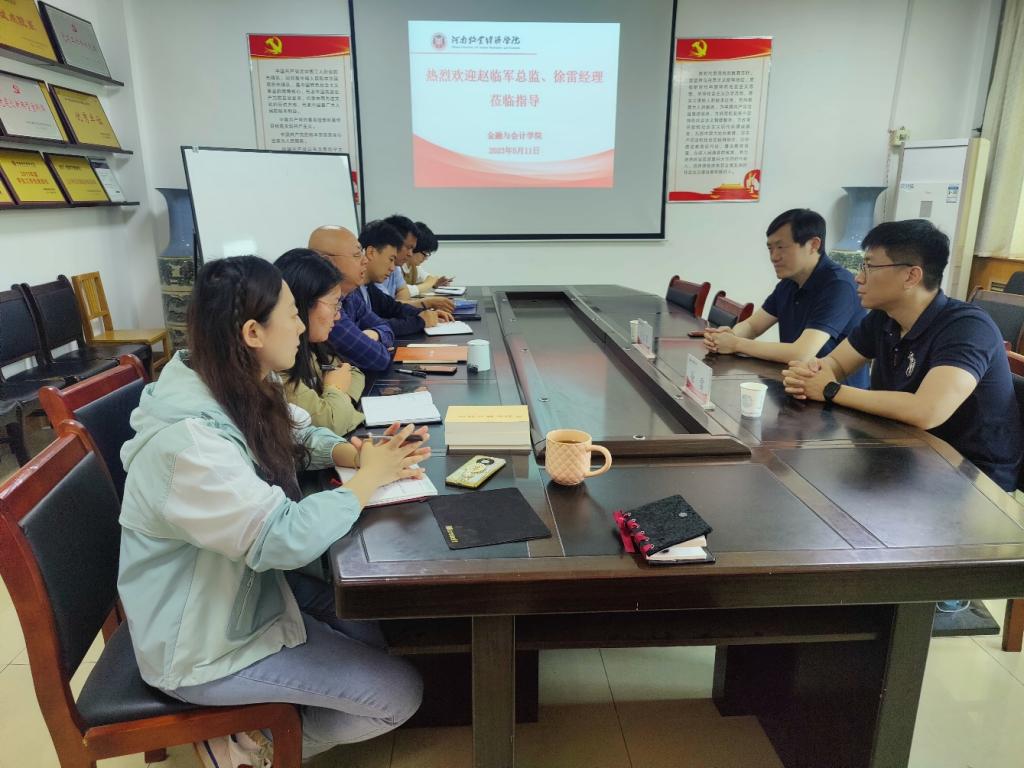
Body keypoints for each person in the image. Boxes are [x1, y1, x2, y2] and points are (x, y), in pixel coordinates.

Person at [117, 256, 428, 766]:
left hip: (242, 592)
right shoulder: (189, 445)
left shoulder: (230, 381)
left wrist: (353, 455)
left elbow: (298, 432)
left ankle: (264, 714)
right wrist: (367, 481)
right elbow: (280, 539)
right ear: (252, 332)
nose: (302, 326)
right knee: (397, 693)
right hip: (200, 644)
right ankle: (250, 744)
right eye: (292, 314)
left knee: (367, 624)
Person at [783, 219, 1022, 492]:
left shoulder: (967, 327)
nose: (858, 277)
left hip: (972, 478)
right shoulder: (884, 318)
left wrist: (829, 389)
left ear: (911, 276)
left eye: (869, 267)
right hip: (908, 451)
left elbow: (927, 411)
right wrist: (809, 374)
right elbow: (835, 362)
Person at [705, 208, 869, 388]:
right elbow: (753, 326)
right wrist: (727, 337)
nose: (773, 257)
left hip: (836, 393)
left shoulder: (839, 285)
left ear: (813, 244)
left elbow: (802, 353)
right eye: (770, 248)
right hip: (796, 383)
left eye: (781, 247)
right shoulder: (789, 282)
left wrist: (736, 344)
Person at [275, 248, 365, 434]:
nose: (338, 316)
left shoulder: (312, 346)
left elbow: (352, 372)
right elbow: (331, 423)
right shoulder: (278, 362)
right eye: (334, 304)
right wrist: (336, 390)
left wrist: (339, 400)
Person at [308, 225, 395, 372]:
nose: (365, 260)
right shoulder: (321, 307)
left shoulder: (350, 294)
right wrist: (376, 343)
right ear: (327, 261)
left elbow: (385, 327)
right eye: (356, 255)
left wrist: (375, 334)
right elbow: (379, 358)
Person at [357, 219, 453, 336]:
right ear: (371, 252)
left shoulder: (367, 287)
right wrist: (421, 321)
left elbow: (393, 307)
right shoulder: (351, 291)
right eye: (391, 259)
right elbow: (374, 325)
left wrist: (422, 313)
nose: (392, 268)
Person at [378, 214, 455, 313]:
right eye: (409, 247)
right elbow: (389, 307)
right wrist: (427, 301)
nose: (410, 254)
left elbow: (403, 292)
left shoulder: (396, 267)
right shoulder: (380, 272)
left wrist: (399, 307)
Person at [402, 221, 452, 296]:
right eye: (425, 253)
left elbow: (429, 279)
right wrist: (429, 283)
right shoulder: (396, 266)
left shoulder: (414, 267)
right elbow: (401, 292)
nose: (426, 258)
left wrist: (435, 285)